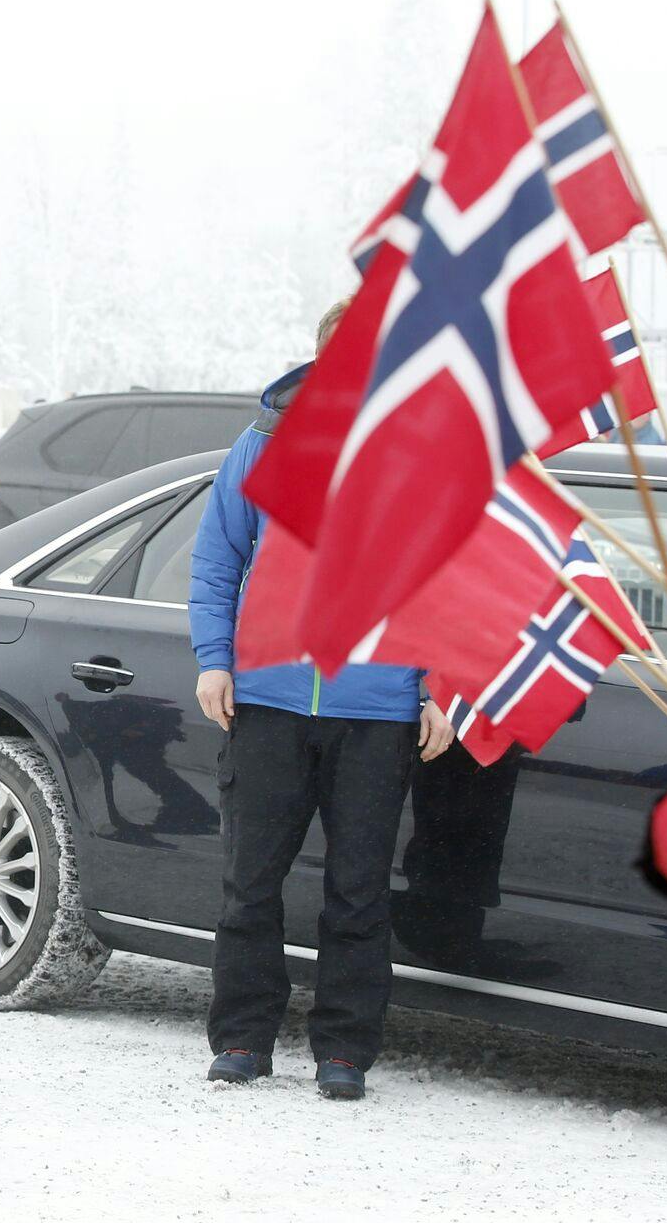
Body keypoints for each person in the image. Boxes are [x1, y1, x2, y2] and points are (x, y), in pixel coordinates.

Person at [186, 300, 454, 1101]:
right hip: (266, 697)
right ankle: (241, 1037)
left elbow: (446, 583)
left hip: (377, 708)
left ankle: (344, 1051)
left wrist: (441, 686)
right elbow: (216, 559)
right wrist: (214, 660)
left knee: (359, 890)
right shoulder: (264, 444)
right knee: (250, 882)